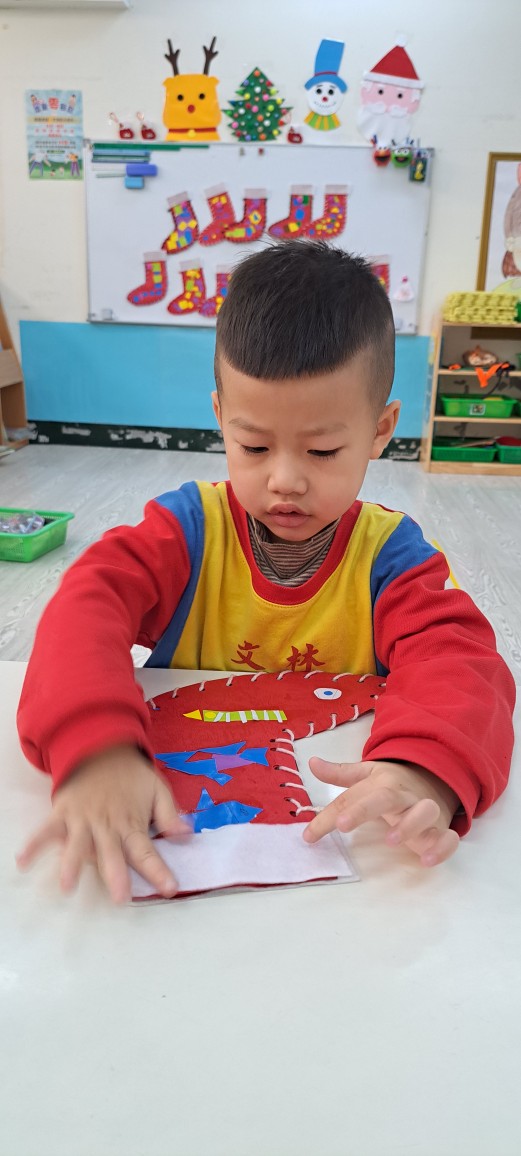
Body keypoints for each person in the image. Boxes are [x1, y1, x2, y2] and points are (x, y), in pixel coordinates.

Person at [16, 241, 515, 902]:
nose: (285, 480)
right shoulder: (185, 532)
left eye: (322, 450)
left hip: (334, 861)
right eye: (252, 445)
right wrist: (96, 749)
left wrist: (423, 768)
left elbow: (459, 662)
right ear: (220, 418)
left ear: (380, 430)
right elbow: (86, 605)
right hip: (192, 826)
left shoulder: (391, 557)